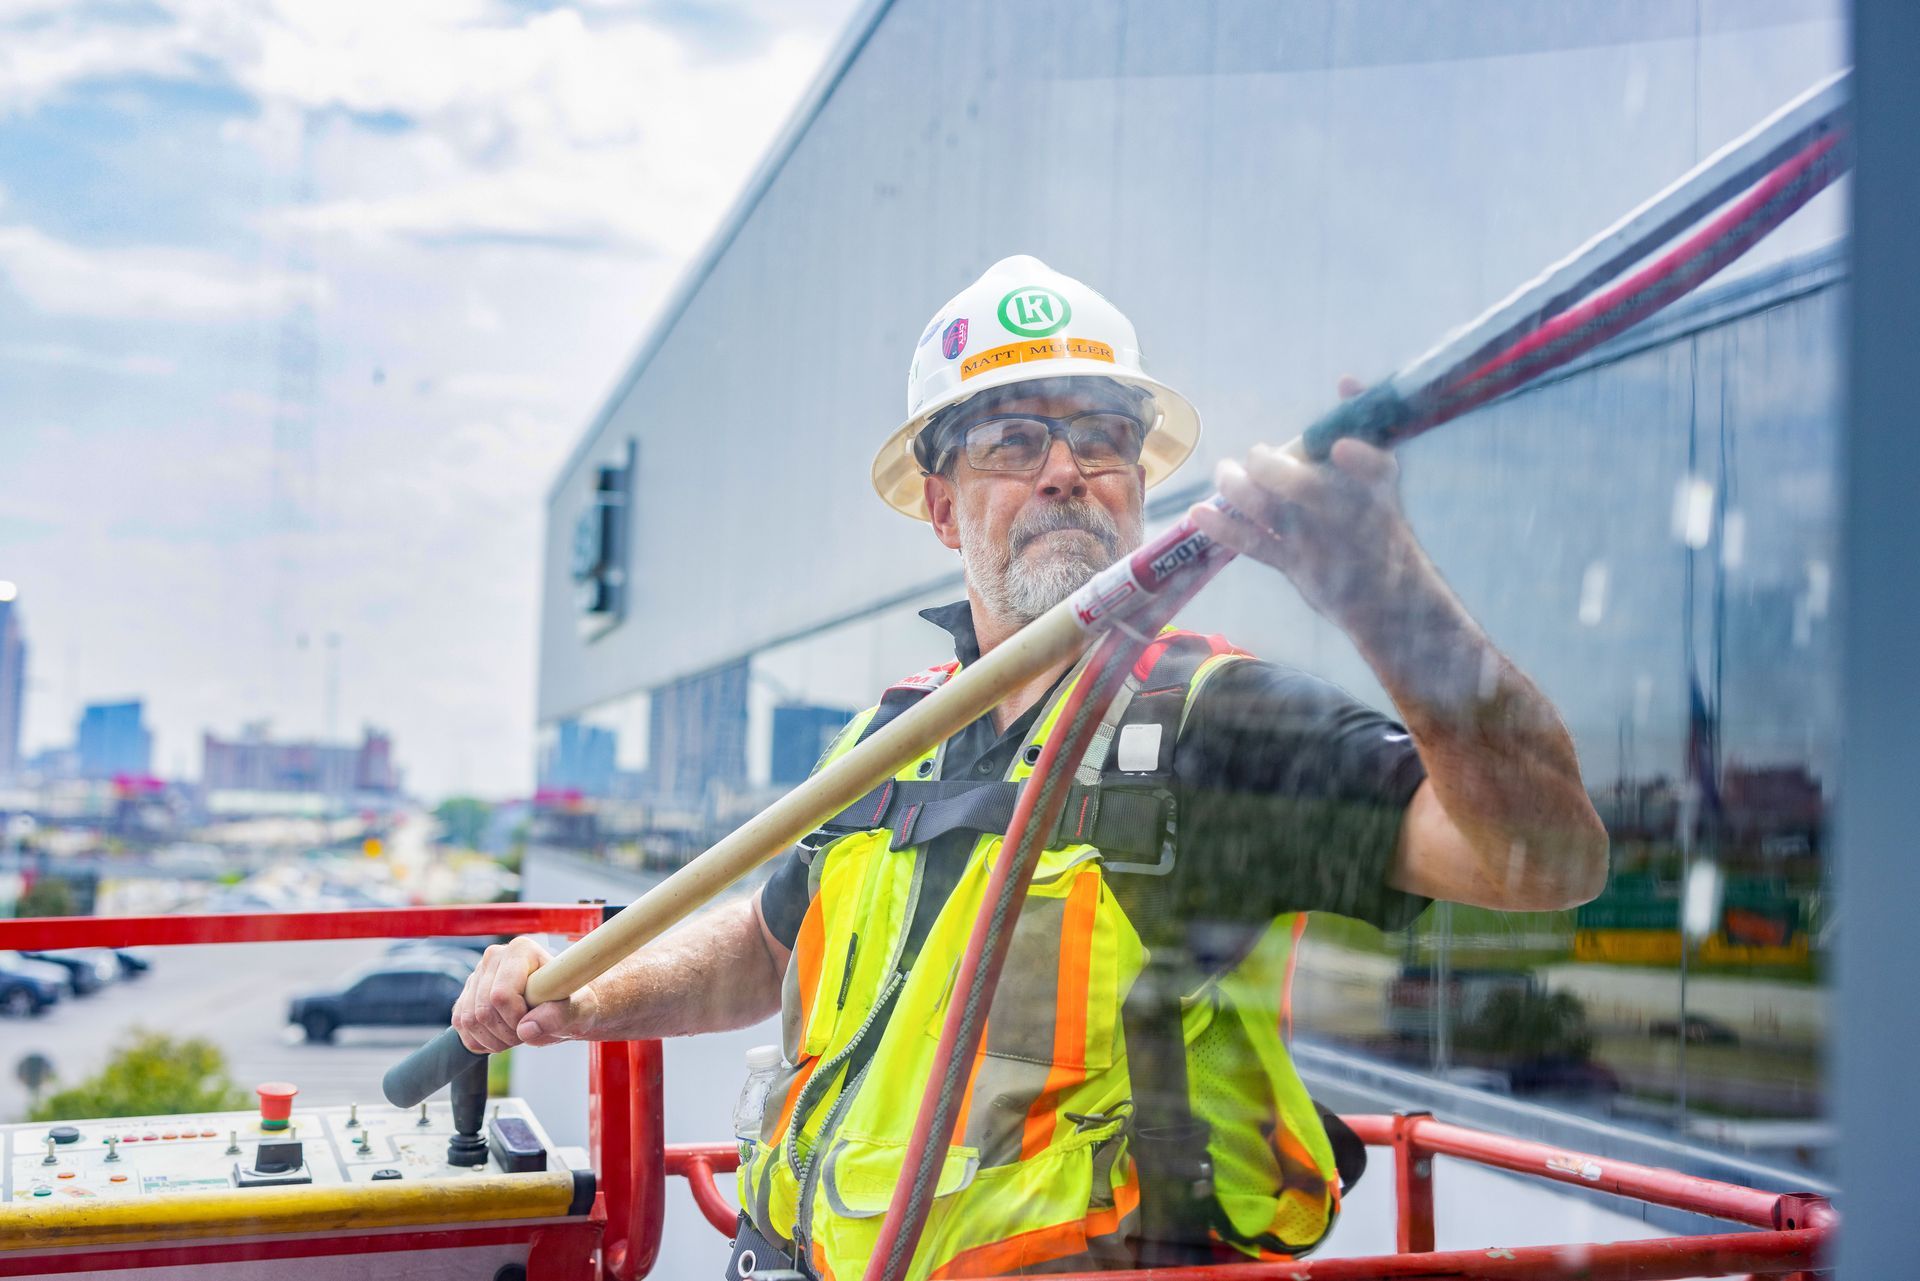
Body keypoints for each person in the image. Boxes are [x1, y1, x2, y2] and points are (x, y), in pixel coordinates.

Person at [454, 255, 1608, 1278]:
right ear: (944, 508)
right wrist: (580, 994)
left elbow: (1542, 860)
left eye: (1100, 436)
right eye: (1015, 440)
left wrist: (1385, 592)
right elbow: (766, 945)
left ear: (1141, 485)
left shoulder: (1213, 727)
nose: (1067, 469)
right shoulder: (887, 744)